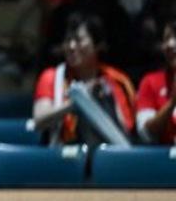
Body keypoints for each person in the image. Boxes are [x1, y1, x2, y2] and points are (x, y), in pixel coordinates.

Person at [33, 14, 136, 146]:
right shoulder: (52, 77)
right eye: (68, 40)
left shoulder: (117, 80)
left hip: (109, 155)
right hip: (65, 155)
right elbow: (39, 120)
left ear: (98, 45)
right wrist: (77, 103)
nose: (71, 46)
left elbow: (127, 127)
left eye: (78, 40)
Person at [137, 20, 176, 144]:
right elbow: (145, 134)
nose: (170, 44)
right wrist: (172, 103)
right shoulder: (150, 82)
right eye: (166, 39)